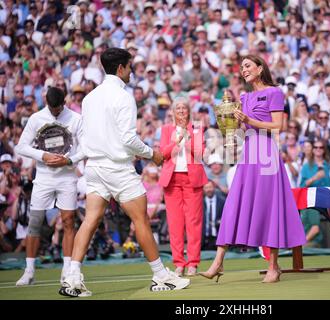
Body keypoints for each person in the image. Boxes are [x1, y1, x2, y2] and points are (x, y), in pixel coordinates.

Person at [59, 48, 190, 297]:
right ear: (121, 68)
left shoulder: (89, 98)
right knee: (140, 219)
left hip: (94, 168)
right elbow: (128, 139)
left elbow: (86, 138)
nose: (131, 72)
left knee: (89, 221)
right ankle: (161, 276)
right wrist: (153, 154)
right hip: (117, 168)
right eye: (130, 67)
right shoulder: (123, 96)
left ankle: (72, 278)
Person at [199, 55, 306, 283]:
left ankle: (273, 266)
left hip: (267, 153)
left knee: (269, 208)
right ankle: (218, 262)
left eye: (248, 66)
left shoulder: (275, 93)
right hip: (248, 154)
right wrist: (232, 121)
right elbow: (242, 127)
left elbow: (278, 126)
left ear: (260, 68)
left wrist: (248, 119)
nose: (243, 70)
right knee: (233, 204)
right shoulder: (245, 97)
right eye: (242, 67)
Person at [15, 87, 84, 286]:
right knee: (34, 222)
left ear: (64, 102)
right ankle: (29, 272)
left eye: (58, 108)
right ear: (46, 102)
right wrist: (42, 155)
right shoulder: (36, 118)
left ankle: (67, 270)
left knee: (69, 221)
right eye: (51, 108)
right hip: (43, 178)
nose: (55, 111)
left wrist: (69, 161)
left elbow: (86, 147)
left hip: (67, 177)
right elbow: (21, 146)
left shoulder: (76, 118)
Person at [159, 97, 207, 277]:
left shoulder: (196, 128)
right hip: (172, 181)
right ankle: (179, 263)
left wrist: (186, 140)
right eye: (177, 108)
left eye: (183, 108)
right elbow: (163, 153)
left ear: (189, 111)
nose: (180, 111)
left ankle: (193, 263)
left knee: (194, 223)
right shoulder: (166, 129)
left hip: (192, 179)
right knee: (175, 224)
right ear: (172, 112)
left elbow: (200, 152)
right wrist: (175, 142)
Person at [202, 180, 225, 251]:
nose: (208, 190)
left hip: (218, 236)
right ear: (203, 189)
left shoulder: (222, 201)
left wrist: (221, 221)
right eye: (206, 188)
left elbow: (227, 217)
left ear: (214, 187)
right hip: (204, 237)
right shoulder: (199, 202)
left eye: (210, 187)